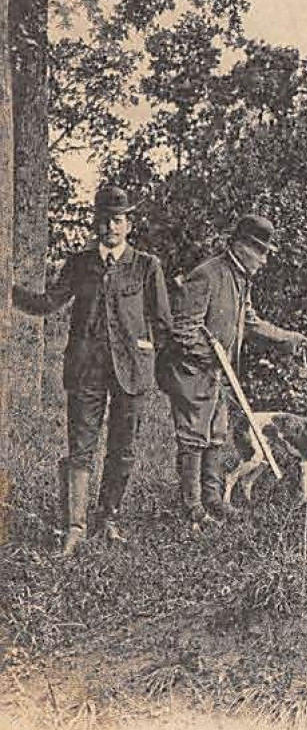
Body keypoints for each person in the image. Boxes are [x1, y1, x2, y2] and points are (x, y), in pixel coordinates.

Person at [11, 186, 172, 555]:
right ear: (95, 222)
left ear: (128, 224)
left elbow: (162, 322)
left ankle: (108, 518)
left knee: (123, 448)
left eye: (117, 219)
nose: (109, 227)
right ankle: (74, 528)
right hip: (86, 371)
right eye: (103, 219)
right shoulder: (80, 264)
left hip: (130, 371)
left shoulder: (147, 266)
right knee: (80, 448)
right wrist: (9, 291)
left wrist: (150, 347)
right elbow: (48, 302)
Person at [160, 214, 307, 528]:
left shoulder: (241, 279)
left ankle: (213, 500)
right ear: (241, 247)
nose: (265, 260)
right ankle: (191, 507)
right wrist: (211, 360)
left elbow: (250, 320)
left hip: (219, 375)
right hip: (192, 372)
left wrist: (286, 337)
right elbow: (183, 329)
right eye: (262, 252)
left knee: (216, 436)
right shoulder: (207, 275)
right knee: (193, 438)